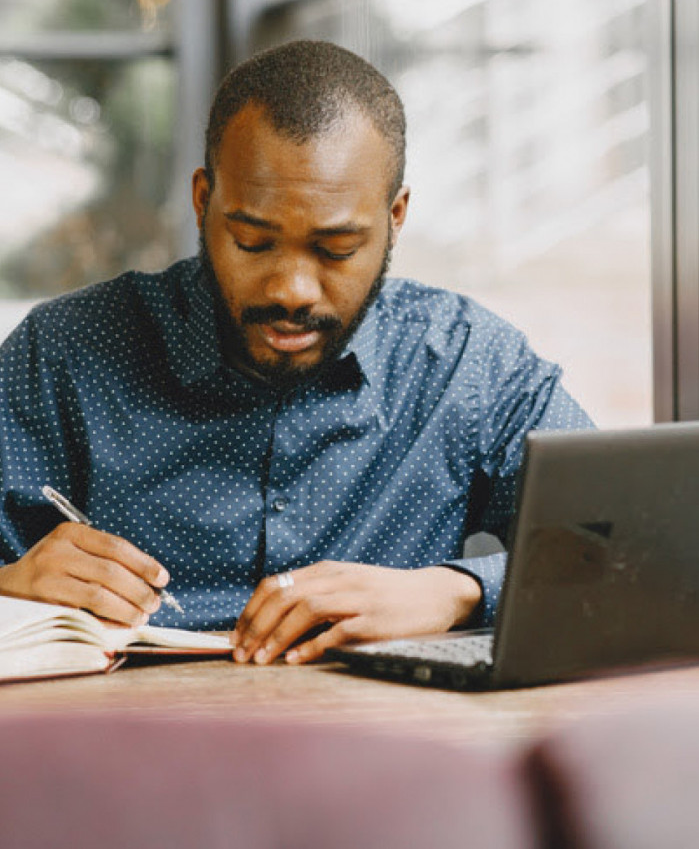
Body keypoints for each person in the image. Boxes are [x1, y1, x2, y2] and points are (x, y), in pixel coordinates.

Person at [0, 40, 592, 665]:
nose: (292, 291)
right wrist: (10, 582)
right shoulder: (63, 352)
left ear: (396, 217)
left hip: (388, 746)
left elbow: (632, 543)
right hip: (120, 746)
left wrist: (459, 590)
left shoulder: (467, 365)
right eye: (253, 242)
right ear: (204, 202)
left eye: (336, 249)